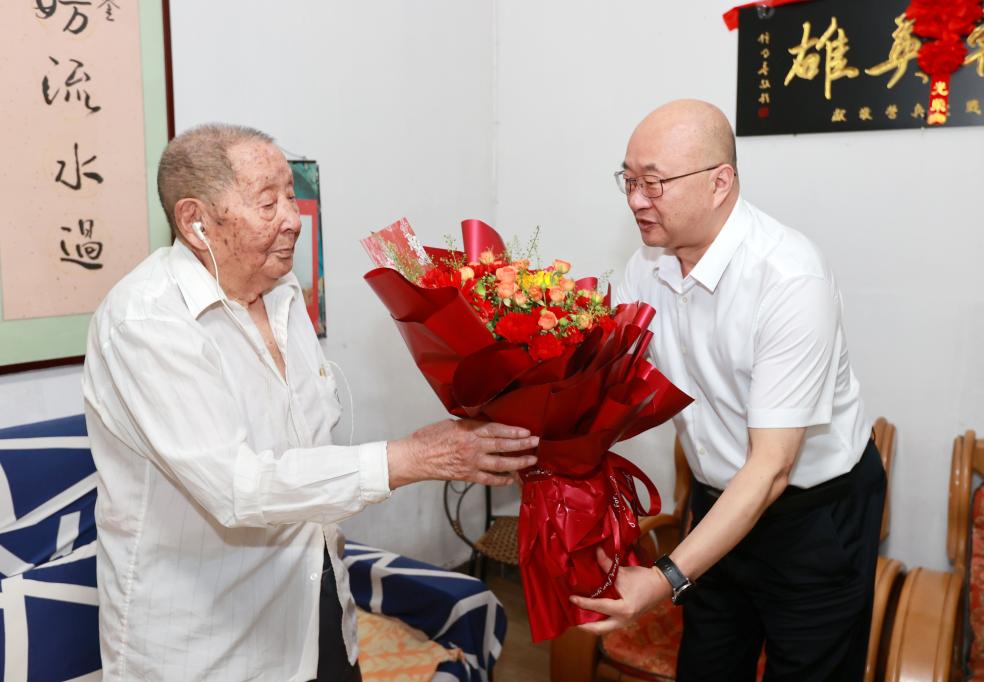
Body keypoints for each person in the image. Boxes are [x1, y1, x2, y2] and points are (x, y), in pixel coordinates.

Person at [82, 123, 539, 682]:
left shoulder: (282, 294)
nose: (294, 219)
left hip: (314, 603)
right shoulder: (146, 321)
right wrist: (414, 457)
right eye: (267, 202)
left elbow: (307, 448)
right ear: (195, 221)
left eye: (291, 196)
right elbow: (237, 487)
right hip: (207, 641)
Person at [570, 100, 885, 681]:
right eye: (629, 181)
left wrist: (664, 578)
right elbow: (606, 381)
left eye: (654, 183)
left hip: (812, 515)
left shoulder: (789, 276)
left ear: (720, 183)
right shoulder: (646, 267)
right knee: (708, 665)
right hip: (718, 503)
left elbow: (771, 467)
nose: (636, 200)